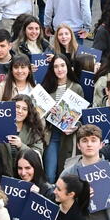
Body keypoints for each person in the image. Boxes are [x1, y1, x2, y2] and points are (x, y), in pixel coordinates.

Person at [42, 53, 83, 182]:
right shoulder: (46, 88)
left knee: (65, 176)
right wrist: (47, 111)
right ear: (52, 69)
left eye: (62, 65)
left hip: (69, 137)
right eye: (56, 66)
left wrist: (76, 126)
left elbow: (83, 116)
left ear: (68, 67)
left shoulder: (77, 88)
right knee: (49, 175)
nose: (60, 69)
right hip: (52, 135)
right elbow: (37, 114)